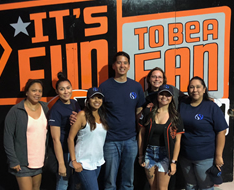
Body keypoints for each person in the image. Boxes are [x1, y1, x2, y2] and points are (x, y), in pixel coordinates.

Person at [99, 51, 145, 190]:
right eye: (119, 62)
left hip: (131, 140)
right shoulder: (105, 87)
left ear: (129, 66)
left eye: (125, 63)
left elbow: (139, 110)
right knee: (109, 182)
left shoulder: (136, 87)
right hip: (110, 141)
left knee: (128, 182)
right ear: (113, 66)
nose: (122, 65)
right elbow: (97, 111)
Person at [178, 76, 228, 190]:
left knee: (205, 187)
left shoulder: (211, 107)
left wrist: (219, 156)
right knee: (190, 185)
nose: (195, 90)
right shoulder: (183, 105)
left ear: (204, 89)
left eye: (198, 87)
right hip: (185, 156)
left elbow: (221, 131)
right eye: (191, 87)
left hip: (205, 158)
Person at [4, 79, 49, 190]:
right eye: (34, 90)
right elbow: (8, 137)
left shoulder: (45, 108)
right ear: (27, 92)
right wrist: (13, 160)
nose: (37, 94)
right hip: (22, 162)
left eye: (40, 91)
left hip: (39, 161)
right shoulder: (16, 111)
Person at [138, 85, 184, 190]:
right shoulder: (148, 112)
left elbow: (177, 141)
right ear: (157, 95)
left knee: (162, 188)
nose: (164, 97)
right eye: (162, 94)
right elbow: (141, 135)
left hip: (166, 155)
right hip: (149, 153)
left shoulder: (175, 116)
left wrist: (173, 161)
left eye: (168, 95)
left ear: (172, 98)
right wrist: (141, 156)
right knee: (153, 187)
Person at [67, 87, 108, 190]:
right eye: (93, 98)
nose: (97, 100)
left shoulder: (102, 116)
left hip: (97, 162)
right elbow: (70, 138)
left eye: (99, 98)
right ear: (88, 100)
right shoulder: (82, 115)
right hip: (84, 163)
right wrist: (74, 161)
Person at [49, 72, 81, 190]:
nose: (66, 91)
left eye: (68, 88)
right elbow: (55, 139)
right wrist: (61, 164)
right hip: (64, 151)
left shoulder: (74, 103)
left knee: (75, 182)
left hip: (76, 149)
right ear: (57, 91)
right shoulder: (56, 110)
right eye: (62, 89)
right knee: (63, 182)